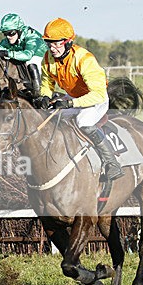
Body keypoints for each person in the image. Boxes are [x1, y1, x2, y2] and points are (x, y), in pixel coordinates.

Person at [36, 17, 124, 181]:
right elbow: (46, 84)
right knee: (48, 118)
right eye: (49, 43)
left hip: (96, 100)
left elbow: (97, 94)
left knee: (83, 122)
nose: (52, 48)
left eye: (57, 43)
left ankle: (112, 163)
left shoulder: (84, 59)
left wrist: (70, 103)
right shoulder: (47, 59)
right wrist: (45, 97)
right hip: (74, 97)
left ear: (68, 42)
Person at [0, 13, 47, 95]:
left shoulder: (32, 36)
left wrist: (7, 53)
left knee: (30, 62)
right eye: (5, 33)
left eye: (11, 33)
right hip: (28, 58)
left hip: (45, 60)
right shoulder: (10, 39)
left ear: (19, 30)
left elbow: (27, 55)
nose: (8, 37)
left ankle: (38, 94)